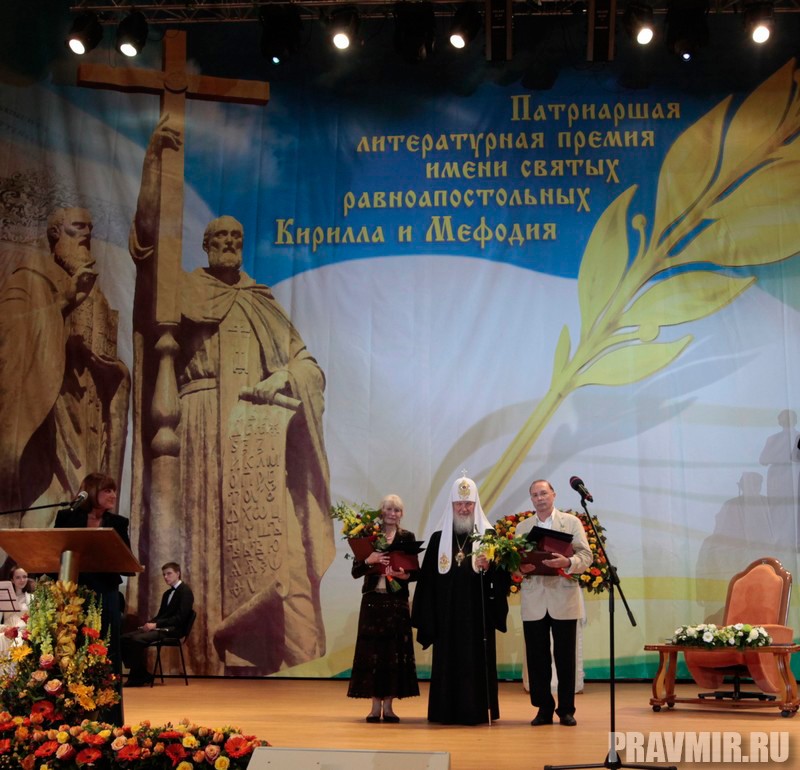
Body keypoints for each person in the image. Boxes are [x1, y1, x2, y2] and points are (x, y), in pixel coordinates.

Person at [129, 116, 334, 676]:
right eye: (218, 239)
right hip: (197, 427)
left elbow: (308, 365)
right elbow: (146, 248)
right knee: (201, 535)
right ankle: (201, 651)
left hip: (254, 439)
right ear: (204, 245)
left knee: (278, 547)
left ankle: (277, 656)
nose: (228, 246)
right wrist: (154, 167)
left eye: (236, 240)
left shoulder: (261, 300)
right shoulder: (184, 290)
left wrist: (282, 378)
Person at [0, 207, 129, 529]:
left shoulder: (96, 293)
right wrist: (64, 301)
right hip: (44, 406)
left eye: (90, 228)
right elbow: (9, 330)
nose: (86, 234)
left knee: (81, 499)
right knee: (42, 504)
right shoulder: (30, 278)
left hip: (84, 412)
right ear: (56, 233)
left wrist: (115, 372)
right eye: (77, 227)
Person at [411, 476, 509, 725]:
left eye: (468, 504)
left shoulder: (488, 535)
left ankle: (477, 711)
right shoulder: (438, 538)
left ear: (475, 505)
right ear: (452, 505)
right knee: (448, 661)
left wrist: (491, 567)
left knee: (476, 660)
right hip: (446, 615)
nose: (464, 509)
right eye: (459, 504)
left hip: (478, 615)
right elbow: (427, 581)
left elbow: (502, 578)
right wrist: (429, 615)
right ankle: (445, 711)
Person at [515, 479, 592, 727]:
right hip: (534, 600)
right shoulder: (523, 527)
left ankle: (566, 710)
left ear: (554, 495)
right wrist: (520, 568)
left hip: (564, 597)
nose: (540, 498)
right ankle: (543, 709)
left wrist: (567, 562)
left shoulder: (571, 522)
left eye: (544, 493)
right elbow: (514, 563)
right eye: (535, 495)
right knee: (537, 659)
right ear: (531, 499)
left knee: (565, 658)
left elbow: (586, 555)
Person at [348, 494, 419, 723]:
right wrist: (370, 560)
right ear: (381, 511)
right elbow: (356, 571)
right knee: (373, 654)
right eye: (389, 509)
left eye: (397, 510)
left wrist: (402, 574)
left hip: (396, 602)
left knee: (392, 654)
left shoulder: (407, 537)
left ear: (401, 514)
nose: (392, 513)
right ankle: (374, 706)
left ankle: (388, 707)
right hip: (373, 602)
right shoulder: (369, 535)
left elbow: (415, 573)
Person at [55, 473, 131, 682]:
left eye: (114, 490)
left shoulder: (118, 523)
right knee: (73, 643)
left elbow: (126, 559)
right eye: (107, 490)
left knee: (107, 646)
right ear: (90, 492)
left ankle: (108, 698)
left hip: (106, 592)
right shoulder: (67, 517)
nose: (113, 495)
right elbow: (55, 553)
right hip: (73, 590)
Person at [121, 562, 195, 687]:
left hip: (174, 630)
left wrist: (156, 625)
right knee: (123, 638)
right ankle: (142, 674)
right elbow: (161, 616)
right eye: (164, 574)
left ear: (178, 573)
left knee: (136, 640)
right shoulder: (167, 594)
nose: (166, 577)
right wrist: (150, 624)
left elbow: (180, 619)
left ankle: (137, 676)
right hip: (162, 627)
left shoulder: (185, 591)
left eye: (169, 574)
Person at [0, 565, 32, 655]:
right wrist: (5, 629)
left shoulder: (32, 598)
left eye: (24, 577)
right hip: (5, 632)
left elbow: (33, 621)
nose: (22, 580)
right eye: (18, 577)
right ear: (12, 580)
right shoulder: (3, 597)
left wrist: (20, 629)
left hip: (22, 633)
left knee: (18, 644)